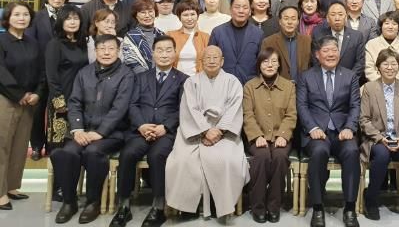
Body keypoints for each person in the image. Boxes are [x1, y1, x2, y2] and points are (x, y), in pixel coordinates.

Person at [51, 34, 134, 224]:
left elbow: (120, 108)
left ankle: (93, 201)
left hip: (112, 133)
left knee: (93, 152)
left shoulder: (126, 75)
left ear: (118, 51)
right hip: (83, 131)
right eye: (102, 48)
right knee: (66, 153)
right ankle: (69, 202)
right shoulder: (84, 72)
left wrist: (100, 132)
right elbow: (74, 102)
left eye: (111, 48)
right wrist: (78, 129)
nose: (106, 52)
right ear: (95, 51)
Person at [109, 36, 188, 227]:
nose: (164, 54)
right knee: (127, 154)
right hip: (141, 130)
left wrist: (165, 127)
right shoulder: (140, 77)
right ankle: (124, 207)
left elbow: (183, 109)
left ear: (175, 53)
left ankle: (158, 208)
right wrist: (141, 125)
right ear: (152, 53)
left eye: (168, 50)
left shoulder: (183, 80)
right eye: (159, 50)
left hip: (166, 133)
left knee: (156, 156)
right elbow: (132, 104)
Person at [165, 45, 250, 220]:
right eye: (207, 58)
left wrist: (218, 131)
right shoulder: (191, 82)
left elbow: (234, 110)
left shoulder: (233, 82)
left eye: (215, 57)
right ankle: (188, 207)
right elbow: (189, 110)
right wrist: (204, 131)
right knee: (182, 160)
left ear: (222, 61)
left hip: (224, 133)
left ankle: (221, 205)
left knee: (228, 160)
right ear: (201, 61)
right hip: (195, 131)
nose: (211, 61)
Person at [296, 36, 361, 227]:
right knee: (318, 152)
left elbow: (355, 105)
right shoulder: (306, 76)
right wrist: (313, 128)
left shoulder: (350, 76)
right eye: (326, 51)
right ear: (317, 55)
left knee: (352, 151)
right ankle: (318, 207)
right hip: (317, 132)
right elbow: (302, 106)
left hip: (342, 131)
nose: (331, 54)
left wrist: (349, 127)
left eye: (334, 50)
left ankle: (350, 208)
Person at [359, 48, 399, 221]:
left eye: (394, 64)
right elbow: (364, 119)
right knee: (381, 155)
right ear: (378, 67)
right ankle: (371, 199)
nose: (390, 67)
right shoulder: (369, 88)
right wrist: (380, 138)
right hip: (377, 139)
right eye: (385, 64)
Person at [243, 48, 297, 223]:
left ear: (279, 64)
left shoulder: (289, 86)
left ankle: (274, 206)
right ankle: (258, 206)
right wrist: (257, 136)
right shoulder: (250, 86)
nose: (270, 65)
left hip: (281, 137)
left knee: (280, 157)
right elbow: (248, 115)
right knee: (262, 157)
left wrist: (283, 135)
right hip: (257, 138)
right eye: (265, 61)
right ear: (259, 64)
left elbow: (291, 115)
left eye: (274, 61)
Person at [0, 2, 42, 211]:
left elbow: (41, 71)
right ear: (8, 18)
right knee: (2, 146)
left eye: (25, 14)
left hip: (29, 101)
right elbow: (1, 72)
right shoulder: (1, 41)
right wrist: (19, 94)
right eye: (17, 14)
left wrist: (37, 93)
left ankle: (12, 186)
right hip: (6, 99)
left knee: (19, 145)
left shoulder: (33, 42)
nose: (22, 18)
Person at [26, 0, 69, 160]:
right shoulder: (37, 17)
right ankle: (37, 145)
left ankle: (54, 145)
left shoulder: (69, 16)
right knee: (38, 111)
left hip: (62, 72)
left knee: (58, 108)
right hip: (40, 71)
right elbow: (30, 44)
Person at [45, 5, 89, 153]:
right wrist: (59, 101)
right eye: (68, 18)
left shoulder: (82, 43)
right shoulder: (55, 44)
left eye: (76, 18)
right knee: (59, 145)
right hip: (61, 99)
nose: (72, 22)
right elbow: (51, 76)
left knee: (78, 143)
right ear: (61, 21)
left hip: (80, 98)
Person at [209, 0, 264, 84]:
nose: (241, 11)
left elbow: (262, 62)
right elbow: (210, 59)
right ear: (230, 9)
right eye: (237, 7)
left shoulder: (258, 33)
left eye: (245, 8)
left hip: (250, 85)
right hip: (222, 84)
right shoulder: (218, 32)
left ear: (250, 11)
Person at [311, 2, 365, 80]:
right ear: (327, 18)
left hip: (349, 81)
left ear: (346, 17)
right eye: (333, 15)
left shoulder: (357, 36)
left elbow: (360, 62)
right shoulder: (318, 34)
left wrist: (349, 79)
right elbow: (315, 59)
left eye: (340, 14)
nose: (337, 18)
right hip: (324, 80)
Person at [365, 12, 399, 87]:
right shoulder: (371, 45)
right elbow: (369, 70)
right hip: (377, 88)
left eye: (394, 24)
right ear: (381, 26)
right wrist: (384, 86)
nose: (390, 27)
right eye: (387, 23)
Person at [262, 6, 312, 83]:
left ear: (298, 21)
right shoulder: (268, 42)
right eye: (286, 18)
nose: (289, 22)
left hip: (303, 86)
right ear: (280, 21)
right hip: (278, 87)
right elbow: (264, 67)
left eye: (293, 19)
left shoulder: (308, 41)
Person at [167, 0, 210, 77]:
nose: (189, 18)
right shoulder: (170, 35)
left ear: (197, 16)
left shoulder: (206, 37)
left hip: (199, 80)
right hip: (176, 80)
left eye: (192, 14)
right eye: (185, 15)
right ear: (179, 17)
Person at [122, 0, 164, 74]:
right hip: (139, 77)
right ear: (136, 15)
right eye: (143, 12)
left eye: (150, 11)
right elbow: (131, 61)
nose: (147, 15)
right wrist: (148, 77)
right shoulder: (130, 36)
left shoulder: (161, 34)